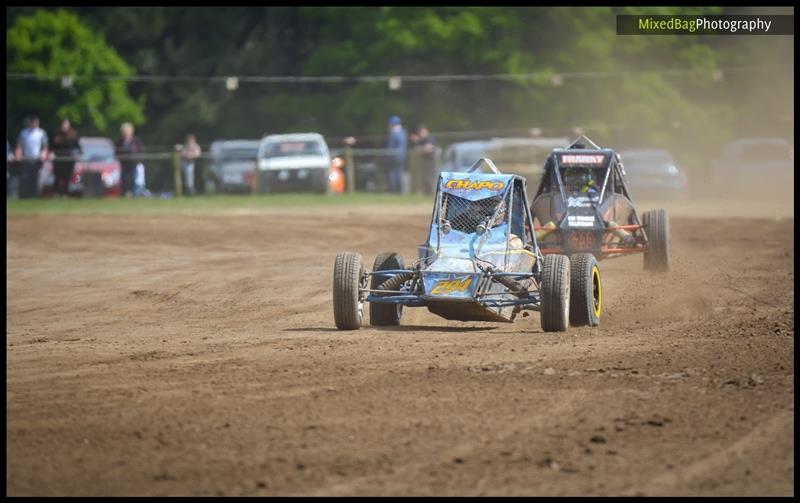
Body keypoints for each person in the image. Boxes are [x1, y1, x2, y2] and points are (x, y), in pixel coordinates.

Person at [15, 115, 49, 199]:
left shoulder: (41, 133)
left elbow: (45, 147)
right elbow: (19, 146)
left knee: (36, 179)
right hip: (26, 159)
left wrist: (43, 155)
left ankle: (36, 196)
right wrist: (18, 155)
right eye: (32, 121)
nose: (33, 123)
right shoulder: (23, 133)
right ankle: (25, 196)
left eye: (35, 121)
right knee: (25, 178)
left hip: (37, 160)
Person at [51, 118, 81, 197]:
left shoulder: (73, 135)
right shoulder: (56, 135)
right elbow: (52, 147)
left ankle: (65, 193)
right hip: (58, 159)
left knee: (67, 177)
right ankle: (56, 193)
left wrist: (77, 154)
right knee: (58, 176)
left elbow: (77, 147)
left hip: (69, 159)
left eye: (66, 125)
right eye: (63, 125)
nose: (64, 126)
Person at [115, 122, 143, 197]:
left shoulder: (136, 140)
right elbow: (116, 152)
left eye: (127, 131)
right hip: (124, 164)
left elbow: (140, 151)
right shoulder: (120, 141)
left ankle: (136, 195)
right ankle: (124, 195)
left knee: (136, 181)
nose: (125, 133)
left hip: (134, 164)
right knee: (124, 181)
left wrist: (137, 159)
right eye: (124, 131)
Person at [409, 125, 437, 194]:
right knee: (424, 179)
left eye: (420, 133)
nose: (420, 135)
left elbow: (429, 149)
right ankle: (426, 193)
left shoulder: (430, 138)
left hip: (430, 163)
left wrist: (420, 149)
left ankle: (431, 193)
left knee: (429, 179)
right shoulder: (422, 140)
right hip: (424, 163)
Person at [385, 115, 407, 193]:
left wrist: (387, 156)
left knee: (392, 173)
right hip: (401, 156)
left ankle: (393, 190)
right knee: (399, 173)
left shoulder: (393, 132)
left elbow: (390, 146)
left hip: (394, 156)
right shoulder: (403, 132)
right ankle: (400, 190)